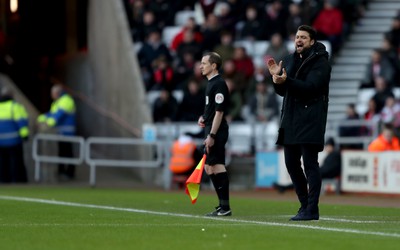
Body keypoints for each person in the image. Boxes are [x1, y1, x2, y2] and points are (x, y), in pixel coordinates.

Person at [267, 25, 331, 221]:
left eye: (303, 37)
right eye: (297, 37)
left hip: (310, 119)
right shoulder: (288, 59)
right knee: (290, 163)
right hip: (291, 119)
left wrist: (285, 82)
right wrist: (276, 80)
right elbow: (282, 90)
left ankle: (312, 209)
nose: (299, 40)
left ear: (312, 41)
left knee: (310, 164)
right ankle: (304, 205)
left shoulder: (321, 63)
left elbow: (311, 88)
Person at [198, 52, 231, 216]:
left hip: (216, 130)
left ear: (214, 66)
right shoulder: (211, 83)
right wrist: (204, 117)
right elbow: (212, 110)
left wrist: (211, 135)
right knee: (209, 168)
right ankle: (221, 205)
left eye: (204, 63)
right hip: (210, 127)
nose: (200, 66)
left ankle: (225, 207)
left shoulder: (219, 84)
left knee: (216, 166)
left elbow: (220, 112)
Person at [37, 84, 76, 180]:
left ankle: (69, 173)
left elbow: (58, 115)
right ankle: (61, 171)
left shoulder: (66, 100)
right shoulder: (57, 102)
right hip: (60, 131)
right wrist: (41, 118)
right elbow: (51, 114)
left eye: (52, 93)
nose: (51, 95)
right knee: (62, 151)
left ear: (57, 93)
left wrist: (47, 123)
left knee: (68, 152)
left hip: (67, 131)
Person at [274, 137, 342, 192]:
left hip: (327, 174)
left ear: (331, 146)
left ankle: (285, 187)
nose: (327, 148)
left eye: (328, 146)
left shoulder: (335, 154)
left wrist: (319, 171)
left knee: (307, 178)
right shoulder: (331, 155)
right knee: (306, 178)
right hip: (323, 173)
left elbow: (332, 168)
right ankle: (285, 187)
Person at [0, 86, 29, 183]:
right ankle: (18, 181)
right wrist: (25, 135)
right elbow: (22, 122)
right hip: (14, 140)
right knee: (16, 162)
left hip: (1, 142)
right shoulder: (15, 106)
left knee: (3, 163)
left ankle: (4, 181)